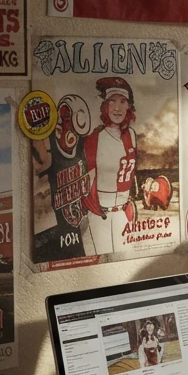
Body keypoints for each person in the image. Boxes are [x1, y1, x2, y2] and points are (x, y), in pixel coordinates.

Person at [81, 77, 137, 256]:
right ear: (105, 106)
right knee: (101, 265)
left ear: (129, 106)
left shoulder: (131, 135)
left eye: (122, 102)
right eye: (112, 101)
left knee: (126, 261)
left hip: (121, 212)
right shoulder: (95, 138)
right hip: (100, 215)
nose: (117, 108)